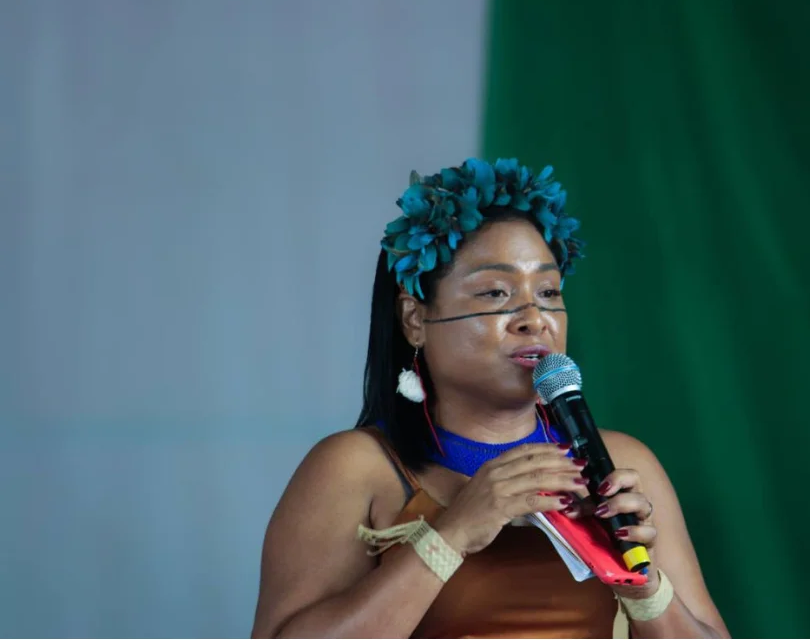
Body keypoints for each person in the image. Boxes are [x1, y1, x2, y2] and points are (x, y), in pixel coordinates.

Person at [250, 159, 729, 638]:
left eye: (548, 291)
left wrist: (644, 588)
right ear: (415, 320)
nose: (534, 318)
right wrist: (452, 533)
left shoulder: (622, 464)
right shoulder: (356, 467)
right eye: (496, 292)